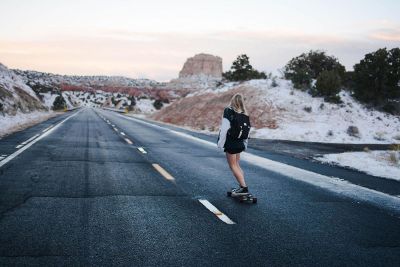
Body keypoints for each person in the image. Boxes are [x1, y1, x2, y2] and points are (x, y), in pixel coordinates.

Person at [217, 93, 251, 196]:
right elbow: (247, 132)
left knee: (233, 166)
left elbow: (224, 129)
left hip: (231, 143)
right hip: (240, 143)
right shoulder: (245, 113)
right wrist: (245, 144)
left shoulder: (228, 111)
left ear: (233, 101)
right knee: (236, 165)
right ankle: (242, 186)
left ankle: (244, 187)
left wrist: (220, 143)